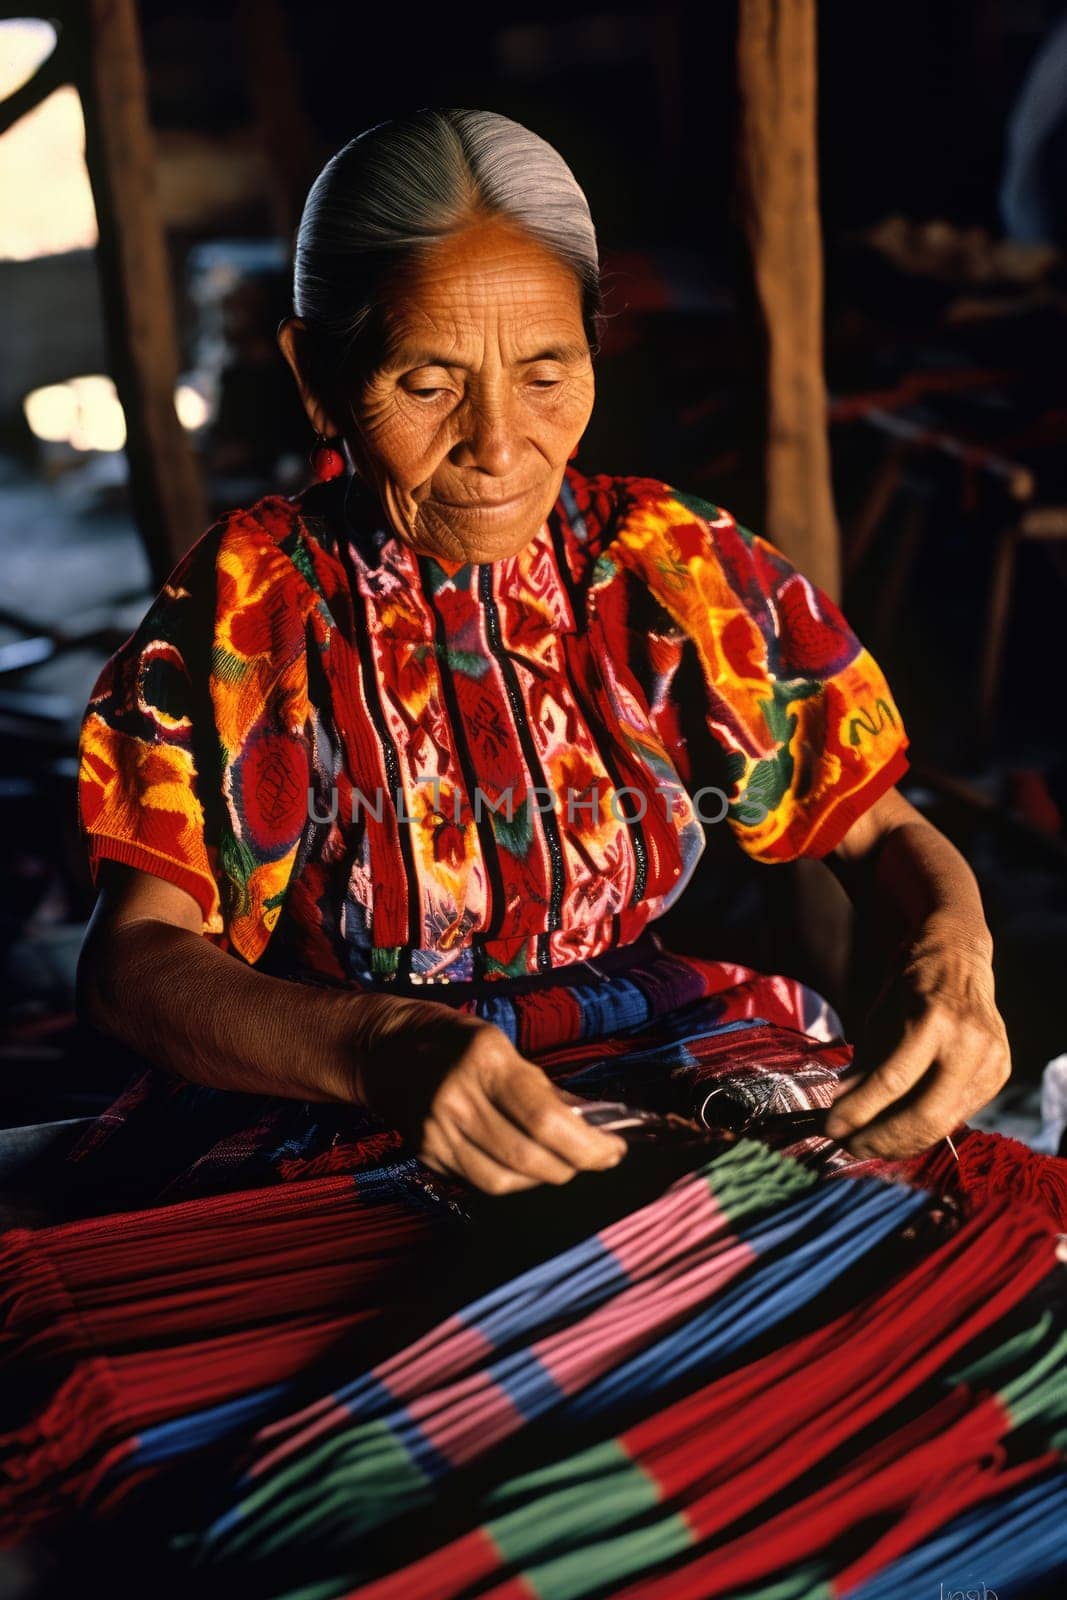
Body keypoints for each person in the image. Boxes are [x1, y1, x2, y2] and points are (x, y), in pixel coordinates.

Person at [72, 108, 1010, 1202]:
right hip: (337, 1084)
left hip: (654, 1047)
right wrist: (380, 1046)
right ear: (316, 377)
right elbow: (134, 962)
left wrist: (952, 953)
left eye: (545, 372)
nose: (500, 447)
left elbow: (883, 829)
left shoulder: (666, 566)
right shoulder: (251, 602)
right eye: (426, 385)